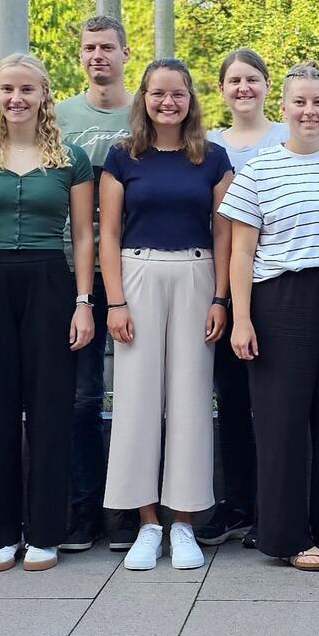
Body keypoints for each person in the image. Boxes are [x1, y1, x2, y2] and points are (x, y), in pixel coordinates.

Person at [217, 62, 319, 572]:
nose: (309, 111)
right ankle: (287, 536)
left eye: (318, 102)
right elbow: (240, 253)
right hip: (277, 300)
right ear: (283, 107)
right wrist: (241, 319)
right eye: (299, 102)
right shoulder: (259, 170)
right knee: (281, 421)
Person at [0, 53, 97, 572]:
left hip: (50, 283)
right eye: (8, 88)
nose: (16, 98)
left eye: (27, 90)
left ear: (43, 96)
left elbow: (82, 236)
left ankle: (46, 531)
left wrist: (83, 303)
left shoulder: (70, 158)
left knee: (52, 409)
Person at [101, 59, 233, 571]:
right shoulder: (121, 157)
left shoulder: (213, 158)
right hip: (136, 276)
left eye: (177, 94)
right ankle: (146, 524)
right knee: (135, 401)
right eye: (158, 93)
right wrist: (114, 301)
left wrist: (221, 298)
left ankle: (183, 524)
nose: (168, 102)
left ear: (191, 99)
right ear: (144, 98)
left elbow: (224, 233)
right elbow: (107, 234)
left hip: (198, 277)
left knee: (191, 401)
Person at [198, 48, 288, 549]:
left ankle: (274, 507)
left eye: (252, 79)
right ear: (222, 89)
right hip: (225, 287)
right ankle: (237, 504)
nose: (243, 88)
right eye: (234, 80)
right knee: (232, 399)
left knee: (275, 401)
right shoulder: (208, 145)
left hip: (278, 285)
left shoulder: (286, 136)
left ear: (267, 85)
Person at [55, 15, 134, 552]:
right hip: (70, 271)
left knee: (135, 397)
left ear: (125, 53)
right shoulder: (58, 116)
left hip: (134, 271)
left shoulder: (144, 113)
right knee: (81, 398)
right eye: (89, 48)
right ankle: (83, 512)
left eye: (108, 47)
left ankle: (131, 513)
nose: (98, 56)